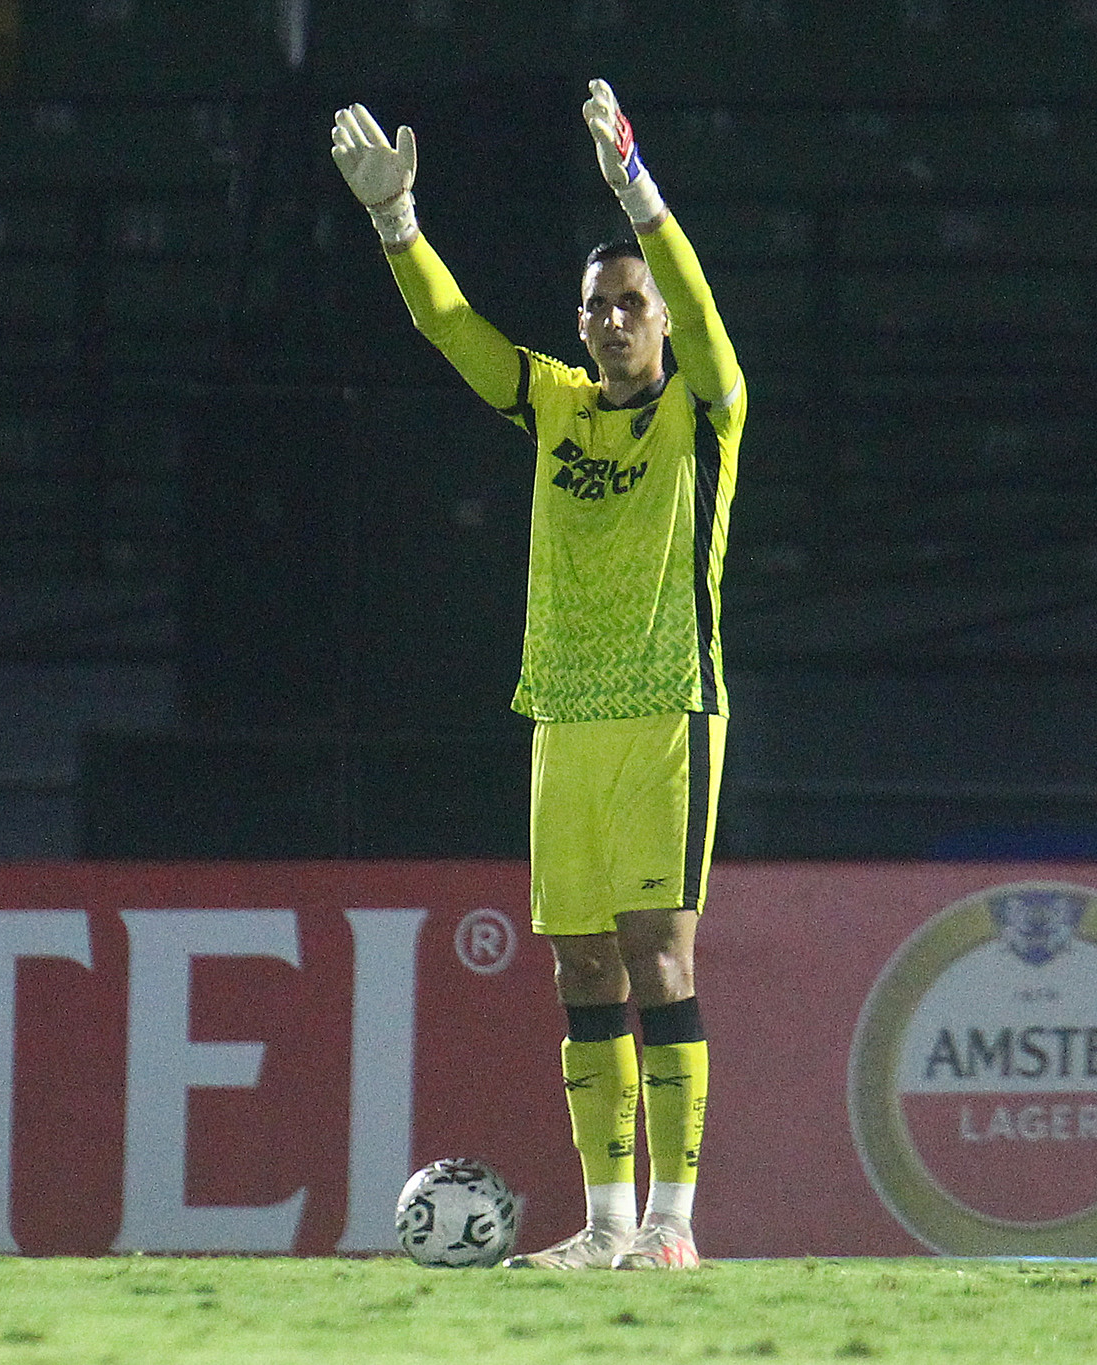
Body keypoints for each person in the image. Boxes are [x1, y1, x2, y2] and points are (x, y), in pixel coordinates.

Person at [331, 80, 743, 1270]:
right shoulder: (556, 407)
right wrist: (396, 227)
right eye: (593, 307)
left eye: (628, 305)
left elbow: (711, 318)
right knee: (577, 964)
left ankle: (671, 1225)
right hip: (561, 714)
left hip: (668, 708)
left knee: (660, 954)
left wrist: (634, 189)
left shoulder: (705, 416)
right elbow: (453, 331)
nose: (609, 322)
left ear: (659, 322)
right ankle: (603, 1224)